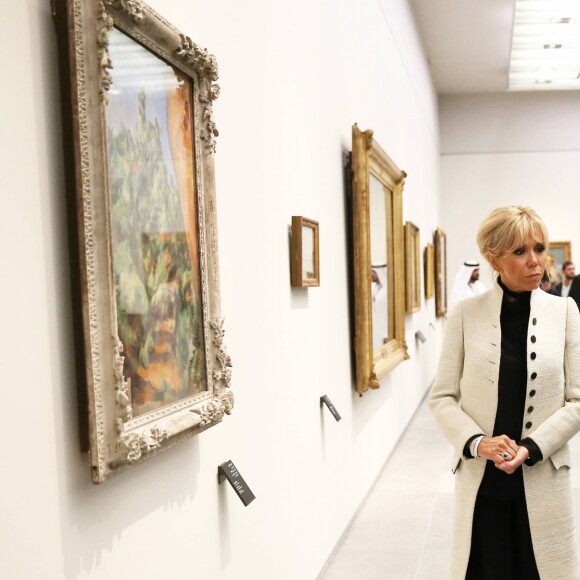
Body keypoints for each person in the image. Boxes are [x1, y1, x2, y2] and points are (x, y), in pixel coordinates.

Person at [429, 206, 580, 579]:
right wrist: (478, 441)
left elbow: (578, 400)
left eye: (539, 249)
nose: (536, 262)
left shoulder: (565, 312)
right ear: (492, 258)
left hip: (542, 475)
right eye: (519, 251)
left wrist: (530, 446)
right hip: (484, 481)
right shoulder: (465, 314)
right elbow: (442, 396)